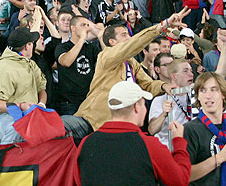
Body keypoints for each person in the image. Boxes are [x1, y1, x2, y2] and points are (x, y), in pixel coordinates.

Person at [74, 81, 191, 186]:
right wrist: (179, 142)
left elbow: (79, 181)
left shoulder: (86, 143)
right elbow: (180, 180)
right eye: (143, 105)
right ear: (136, 107)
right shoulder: (149, 146)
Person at [64, 10, 189, 139]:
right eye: (124, 35)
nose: (129, 38)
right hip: (90, 122)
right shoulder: (106, 56)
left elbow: (148, 84)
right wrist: (162, 26)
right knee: (60, 126)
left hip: (115, 129)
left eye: (129, 34)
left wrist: (163, 86)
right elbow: (132, 44)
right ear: (112, 42)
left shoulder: (131, 62)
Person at [0, 27, 47, 144]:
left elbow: (42, 89)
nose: (33, 45)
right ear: (27, 46)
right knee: (15, 130)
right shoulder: (4, 68)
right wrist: (20, 106)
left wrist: (41, 105)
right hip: (5, 117)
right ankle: (6, 155)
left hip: (31, 116)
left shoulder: (31, 64)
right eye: (31, 43)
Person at [55, 15, 101, 115]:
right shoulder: (62, 47)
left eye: (88, 25)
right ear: (73, 28)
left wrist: (100, 36)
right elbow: (66, 62)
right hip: (69, 103)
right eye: (83, 25)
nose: (86, 28)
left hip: (89, 100)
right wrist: (81, 39)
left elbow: (106, 60)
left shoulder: (91, 48)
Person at [148, 58, 194, 148]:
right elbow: (152, 130)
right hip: (167, 148)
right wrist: (164, 114)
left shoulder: (196, 97)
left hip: (190, 147)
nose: (191, 74)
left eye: (191, 71)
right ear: (173, 76)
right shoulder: (160, 100)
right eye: (185, 71)